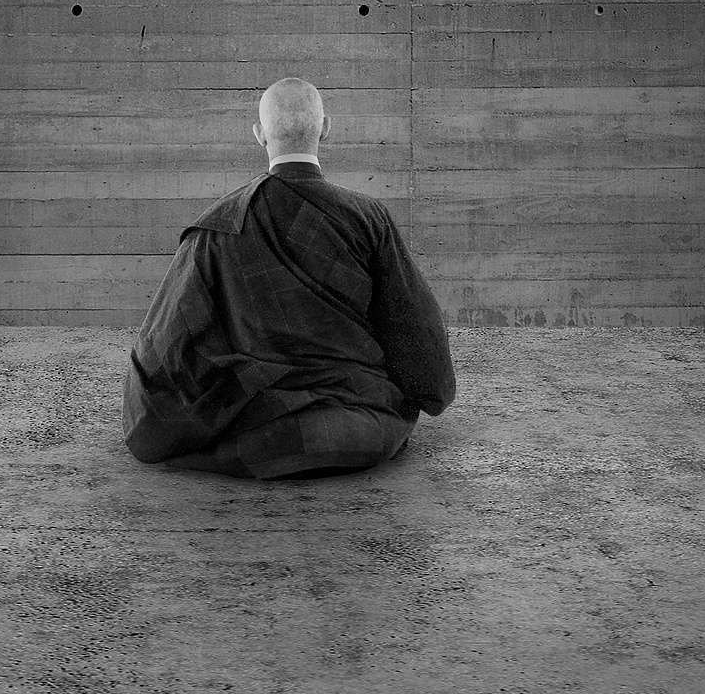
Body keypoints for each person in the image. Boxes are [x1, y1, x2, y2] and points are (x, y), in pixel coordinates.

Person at [122, 77, 456, 480]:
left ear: (260, 134)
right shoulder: (368, 217)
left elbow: (167, 342)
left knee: (243, 436)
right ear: (325, 128)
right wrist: (430, 392)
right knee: (351, 430)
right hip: (360, 421)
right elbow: (414, 329)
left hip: (257, 419)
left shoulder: (218, 226)